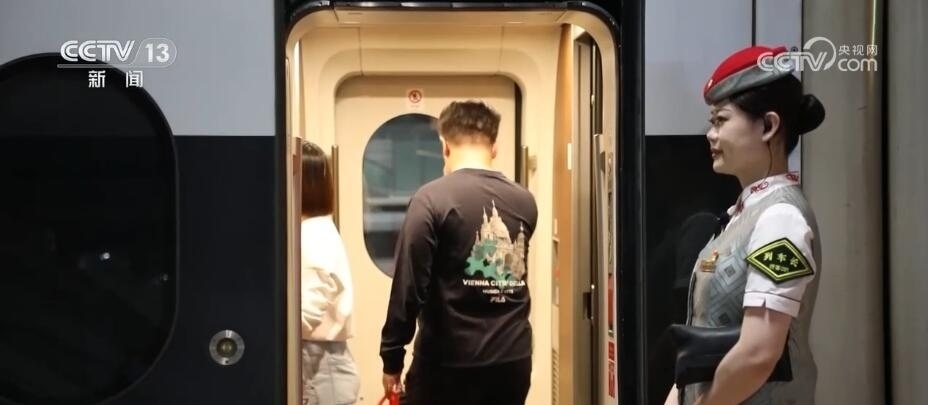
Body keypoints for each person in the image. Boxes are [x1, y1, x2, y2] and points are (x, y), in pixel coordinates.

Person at [665, 45, 827, 405]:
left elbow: (758, 354)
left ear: (768, 126)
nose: (711, 134)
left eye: (721, 120)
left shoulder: (780, 218)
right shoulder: (742, 214)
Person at [379, 100, 539, 405]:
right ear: (494, 147)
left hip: (448, 364)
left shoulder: (431, 200)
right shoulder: (524, 201)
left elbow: (408, 288)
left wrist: (392, 358)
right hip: (513, 361)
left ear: (445, 146)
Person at [300, 140, 361, 405]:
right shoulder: (315, 229)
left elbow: (306, 312)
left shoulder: (313, 235)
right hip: (322, 366)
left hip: (321, 368)